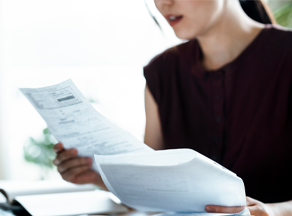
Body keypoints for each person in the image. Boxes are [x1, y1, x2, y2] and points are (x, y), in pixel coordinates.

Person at [52, 0, 292, 215]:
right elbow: (156, 188)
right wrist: (97, 176)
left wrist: (273, 212)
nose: (164, 3)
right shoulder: (161, 73)